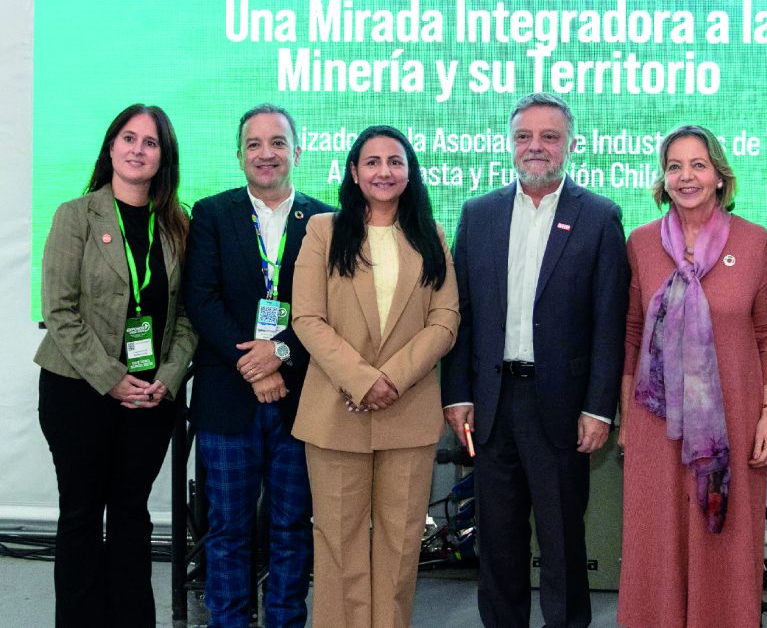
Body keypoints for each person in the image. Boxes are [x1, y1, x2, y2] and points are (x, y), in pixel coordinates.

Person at [441, 92, 629, 628]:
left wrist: (598, 408)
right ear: (510, 143)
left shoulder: (599, 216)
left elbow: (609, 323)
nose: (536, 146)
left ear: (571, 145)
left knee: (563, 538)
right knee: (497, 541)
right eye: (524, 136)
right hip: (492, 404)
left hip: (563, 408)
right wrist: (457, 394)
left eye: (549, 136)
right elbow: (462, 314)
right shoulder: (478, 214)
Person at [290, 125, 459, 628]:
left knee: (401, 542)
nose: (384, 171)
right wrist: (363, 381)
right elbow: (307, 318)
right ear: (353, 172)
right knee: (338, 542)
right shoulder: (323, 231)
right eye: (372, 161)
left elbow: (445, 319)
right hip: (335, 411)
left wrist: (392, 380)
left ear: (409, 172)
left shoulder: (431, 234)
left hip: (407, 411)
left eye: (395, 161)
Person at [616, 124, 767, 628]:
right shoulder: (642, 243)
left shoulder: (753, 241)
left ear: (719, 177)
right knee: (657, 533)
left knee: (726, 531)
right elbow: (631, 333)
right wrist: (626, 418)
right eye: (674, 167)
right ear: (663, 180)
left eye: (698, 165)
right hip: (656, 420)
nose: (686, 176)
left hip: (732, 419)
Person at [37, 103, 197, 628]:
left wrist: (167, 378)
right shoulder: (75, 215)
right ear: (111, 147)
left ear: (163, 157)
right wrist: (111, 379)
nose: (138, 150)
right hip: (77, 390)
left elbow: (189, 318)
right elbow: (59, 310)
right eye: (129, 138)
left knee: (131, 513)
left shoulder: (179, 224)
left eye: (150, 143)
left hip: (150, 397)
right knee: (81, 513)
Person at [184, 103, 332, 628]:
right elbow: (202, 299)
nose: (266, 153)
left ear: (298, 151)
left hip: (301, 399)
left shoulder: (325, 220)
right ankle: (227, 620)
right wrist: (255, 365)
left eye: (277, 142)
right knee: (228, 526)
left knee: (292, 525)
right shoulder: (211, 213)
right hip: (228, 397)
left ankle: (286, 620)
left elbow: (331, 307)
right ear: (239, 154)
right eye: (254, 144)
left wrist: (281, 354)